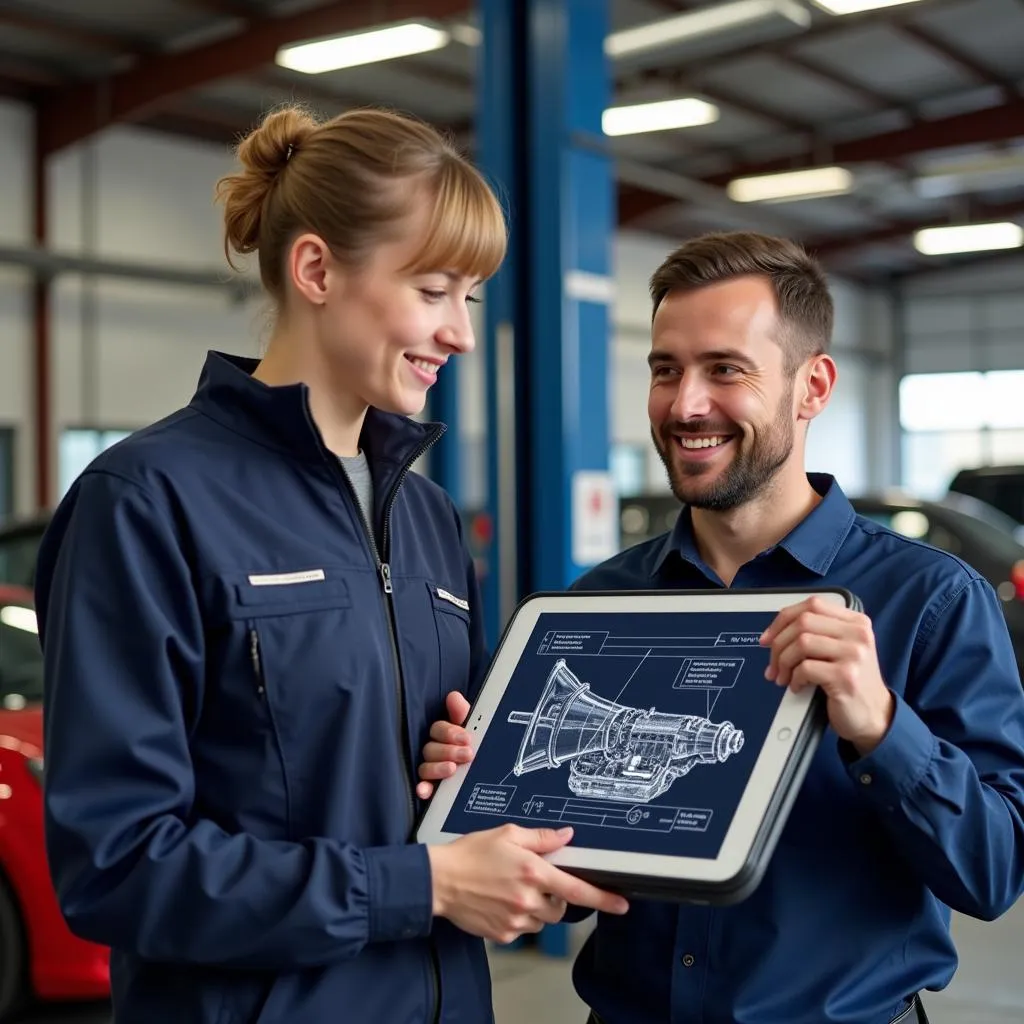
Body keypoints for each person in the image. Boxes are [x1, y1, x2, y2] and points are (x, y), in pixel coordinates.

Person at [34, 105, 627, 1024]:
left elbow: (411, 790)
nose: (462, 334)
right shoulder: (149, 499)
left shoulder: (427, 519)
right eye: (434, 291)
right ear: (316, 269)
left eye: (468, 299)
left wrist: (474, 795)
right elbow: (116, 864)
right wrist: (418, 883)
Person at [417, 231, 1024, 1024]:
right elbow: (555, 885)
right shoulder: (596, 607)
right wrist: (479, 796)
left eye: (725, 369)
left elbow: (992, 872)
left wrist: (882, 728)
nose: (686, 404)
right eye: (665, 370)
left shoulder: (932, 599)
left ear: (813, 386)